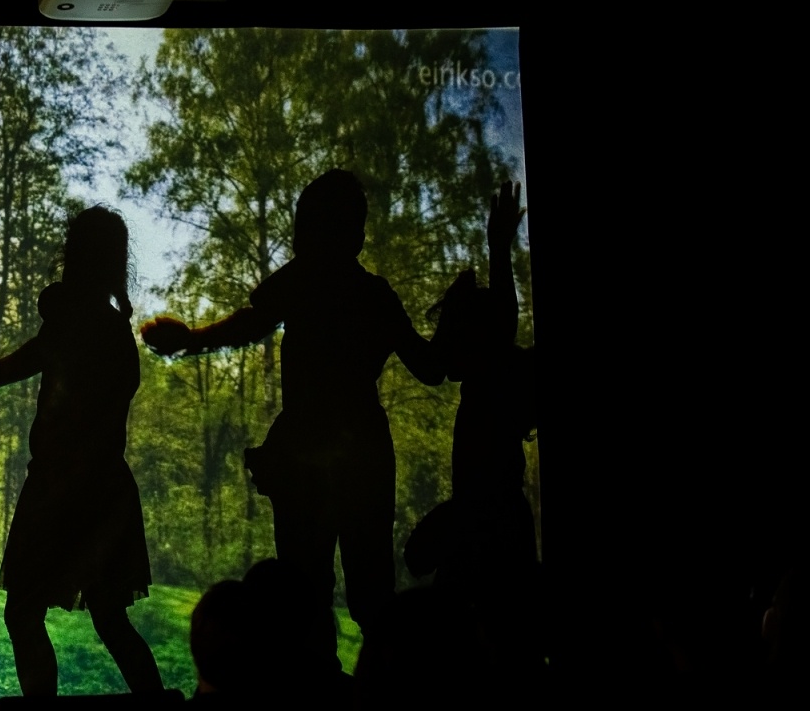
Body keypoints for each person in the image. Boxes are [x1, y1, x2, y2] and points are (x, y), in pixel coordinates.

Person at [140, 169, 444, 633]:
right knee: (368, 592)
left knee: (305, 596)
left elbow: (253, 320)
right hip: (362, 452)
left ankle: (315, 676)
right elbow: (430, 366)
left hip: (305, 450)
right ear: (358, 235)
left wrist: (193, 339)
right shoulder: (373, 295)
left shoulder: (304, 280)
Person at [0, 206, 163, 697]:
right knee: (109, 619)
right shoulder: (108, 328)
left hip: (62, 489)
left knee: (25, 613)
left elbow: (41, 355)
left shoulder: (75, 323)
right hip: (101, 489)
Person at [404, 181, 538, 606]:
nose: (440, 344)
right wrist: (498, 247)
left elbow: (501, 323)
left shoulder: (487, 394)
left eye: (447, 334)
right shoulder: (496, 383)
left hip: (486, 538)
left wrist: (499, 249)